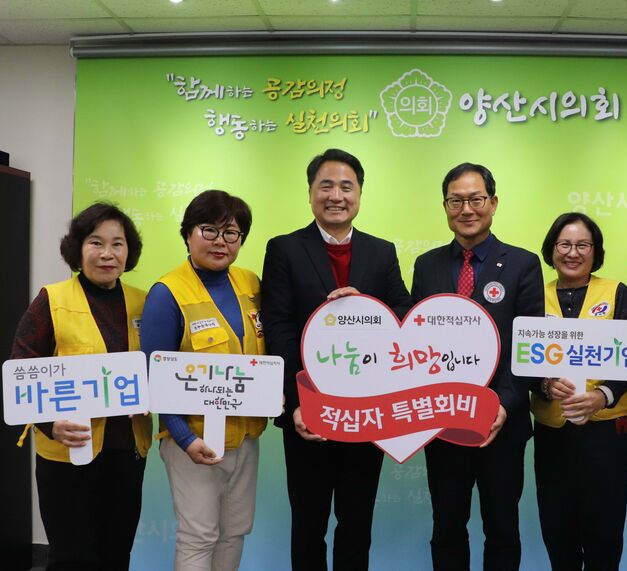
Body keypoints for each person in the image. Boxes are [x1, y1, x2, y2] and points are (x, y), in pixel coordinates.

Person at [261, 148, 412, 571]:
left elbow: (404, 313)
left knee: (356, 524)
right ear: (310, 192)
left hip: (367, 412)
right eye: (325, 185)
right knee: (308, 525)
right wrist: (298, 401)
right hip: (308, 413)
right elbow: (279, 327)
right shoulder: (285, 249)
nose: (336, 196)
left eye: (347, 186)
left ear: (359, 193)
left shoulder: (381, 252)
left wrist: (369, 307)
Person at [411, 162, 544, 571]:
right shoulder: (427, 265)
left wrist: (501, 405)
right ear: (445, 207)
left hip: (501, 424)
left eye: (475, 199)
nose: (466, 209)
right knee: (447, 527)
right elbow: (414, 341)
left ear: (493, 203)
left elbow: (528, 347)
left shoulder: (522, 263)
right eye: (456, 201)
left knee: (501, 529)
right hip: (443, 423)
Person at [11, 203, 151, 570]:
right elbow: (21, 372)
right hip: (67, 454)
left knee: (116, 554)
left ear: (129, 251)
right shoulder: (52, 300)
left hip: (126, 452)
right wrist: (50, 424)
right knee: (72, 558)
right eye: (96, 242)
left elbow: (158, 367)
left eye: (117, 244)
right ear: (78, 248)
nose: (107, 254)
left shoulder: (144, 302)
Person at [140, 190, 265, 571]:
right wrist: (184, 437)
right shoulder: (167, 293)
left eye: (232, 233)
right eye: (209, 230)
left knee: (234, 532)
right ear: (188, 233)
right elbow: (154, 376)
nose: (220, 241)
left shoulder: (251, 284)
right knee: (199, 536)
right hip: (192, 441)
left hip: (245, 437)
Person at [531, 212, 627, 571]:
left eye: (582, 245)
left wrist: (601, 395)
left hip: (606, 432)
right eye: (564, 244)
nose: (572, 253)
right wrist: (545, 384)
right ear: (552, 249)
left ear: (596, 251)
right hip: (553, 433)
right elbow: (520, 360)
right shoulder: (535, 296)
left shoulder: (616, 292)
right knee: (557, 529)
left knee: (604, 532)